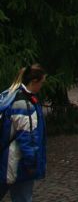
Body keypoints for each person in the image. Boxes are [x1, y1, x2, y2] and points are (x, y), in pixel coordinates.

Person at [0, 64, 47, 202]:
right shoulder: (24, 104)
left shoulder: (9, 95)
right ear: (34, 82)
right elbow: (28, 138)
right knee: (23, 197)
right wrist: (32, 164)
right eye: (41, 82)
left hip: (5, 157)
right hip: (17, 162)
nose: (42, 86)